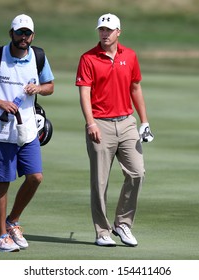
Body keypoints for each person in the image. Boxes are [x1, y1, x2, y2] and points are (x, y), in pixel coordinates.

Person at [0, 14, 54, 252]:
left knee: (35, 177)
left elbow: (50, 86)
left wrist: (39, 88)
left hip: (27, 129)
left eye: (27, 33)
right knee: (3, 182)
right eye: (19, 33)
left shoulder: (38, 56)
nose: (23, 37)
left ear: (32, 36)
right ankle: (1, 237)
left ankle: (12, 221)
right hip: (0, 130)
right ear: (11, 34)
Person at [75, 13, 154, 247]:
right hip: (100, 123)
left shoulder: (129, 56)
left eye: (109, 30)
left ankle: (123, 224)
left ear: (119, 31)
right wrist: (90, 123)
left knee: (137, 172)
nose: (104, 33)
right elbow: (84, 93)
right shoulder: (88, 58)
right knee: (100, 181)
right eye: (101, 29)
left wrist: (144, 121)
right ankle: (102, 231)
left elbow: (135, 87)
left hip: (127, 122)